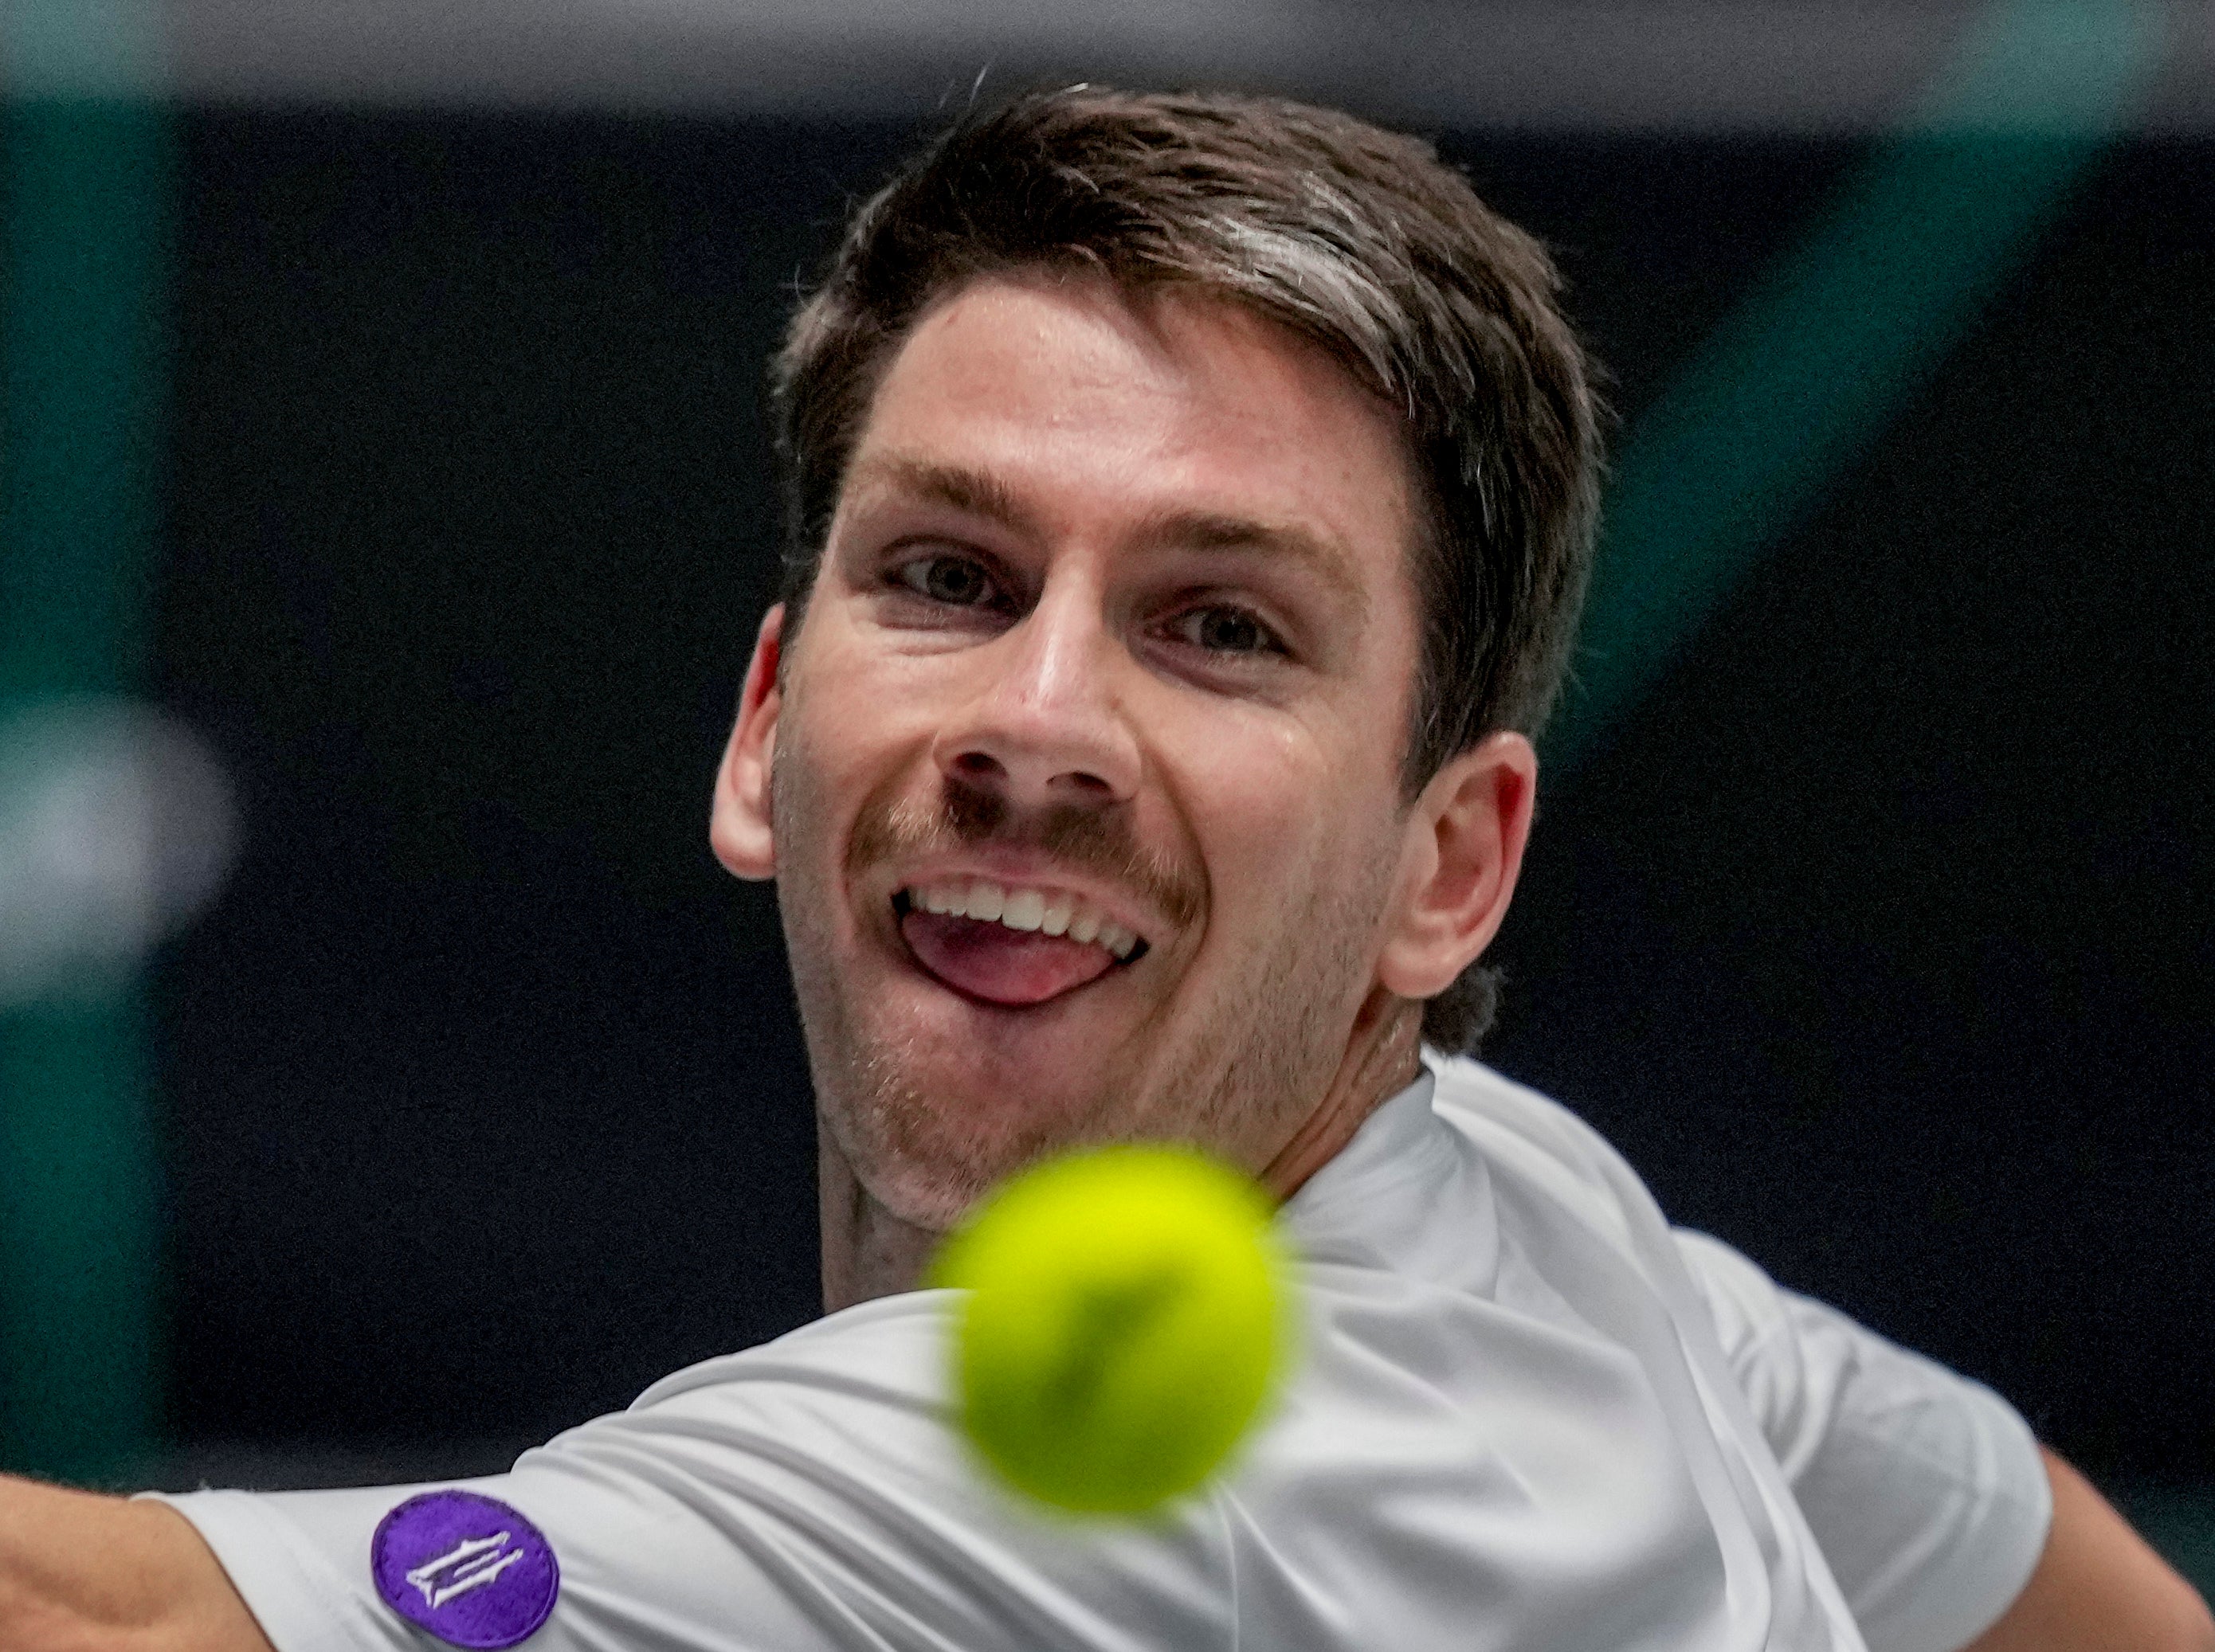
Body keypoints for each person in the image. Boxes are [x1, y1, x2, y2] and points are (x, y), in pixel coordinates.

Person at [0, 85, 2206, 1652]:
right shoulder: (1541, 1226)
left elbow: (96, 1622)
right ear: (767, 722)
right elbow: (2028, 1561)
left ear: (1452, 865)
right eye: (953, 573)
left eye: (1218, 624)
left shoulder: (1159, 1476)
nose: (1032, 724)